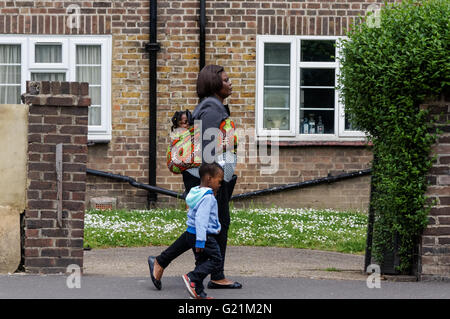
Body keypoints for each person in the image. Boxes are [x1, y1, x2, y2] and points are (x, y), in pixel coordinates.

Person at [148, 64, 241, 290]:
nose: (230, 84)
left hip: (210, 177)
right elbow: (208, 150)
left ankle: (201, 272)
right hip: (210, 178)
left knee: (209, 225)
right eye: (226, 80)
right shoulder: (212, 108)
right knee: (211, 225)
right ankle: (172, 264)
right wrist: (214, 184)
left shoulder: (211, 107)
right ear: (214, 84)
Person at [180, 162, 224, 299]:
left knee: (201, 262)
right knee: (216, 259)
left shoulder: (196, 192)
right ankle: (192, 277)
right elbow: (201, 219)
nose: (220, 184)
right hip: (203, 235)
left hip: (191, 233)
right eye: (219, 181)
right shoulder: (208, 197)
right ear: (209, 179)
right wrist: (200, 241)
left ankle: (198, 292)